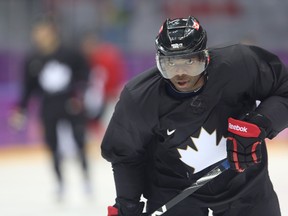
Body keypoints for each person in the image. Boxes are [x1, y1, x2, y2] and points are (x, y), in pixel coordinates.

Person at [101, 16, 288, 216]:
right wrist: (127, 205)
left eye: (189, 62)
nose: (181, 74)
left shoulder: (239, 65)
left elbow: (284, 88)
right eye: (171, 63)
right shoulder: (140, 98)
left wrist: (260, 124)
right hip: (174, 193)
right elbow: (126, 154)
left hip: (247, 189)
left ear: (205, 58)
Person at [10, 16, 91, 198]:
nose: (39, 36)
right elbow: (28, 89)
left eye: (43, 31)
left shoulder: (71, 54)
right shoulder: (32, 59)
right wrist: (21, 110)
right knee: (52, 144)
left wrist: (80, 97)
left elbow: (85, 76)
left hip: (71, 104)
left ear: (53, 32)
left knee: (79, 142)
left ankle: (86, 180)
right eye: (37, 32)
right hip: (48, 106)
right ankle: (60, 183)